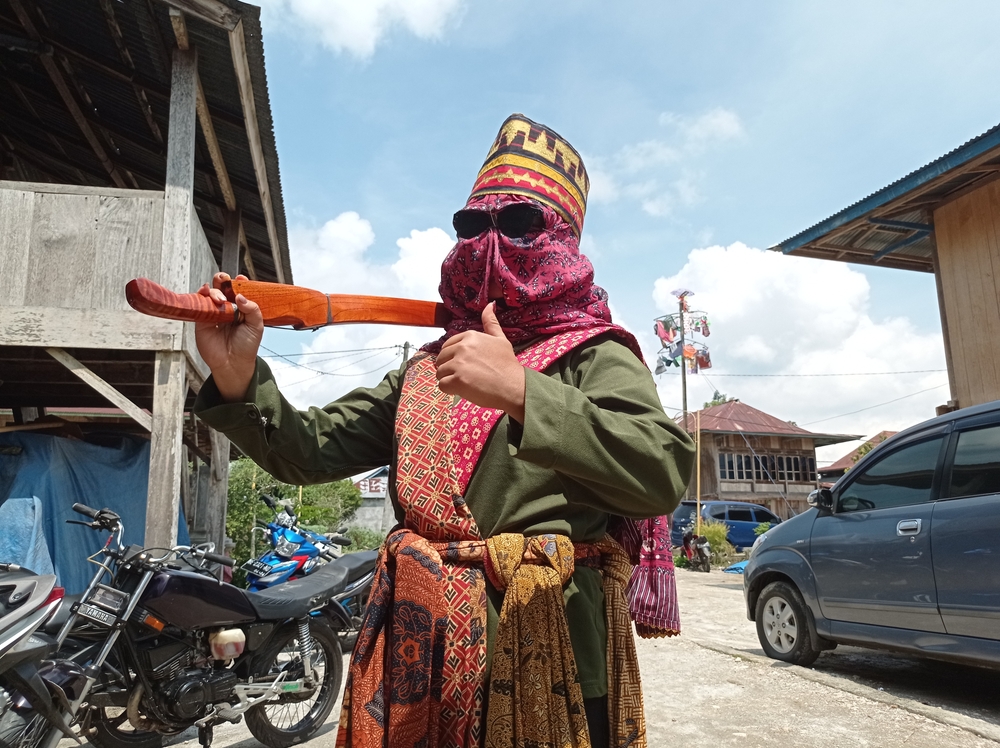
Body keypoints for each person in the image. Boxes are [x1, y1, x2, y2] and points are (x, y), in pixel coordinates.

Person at [194, 114, 694, 748]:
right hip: (420, 659)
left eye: (517, 223)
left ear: (561, 241)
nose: (489, 241)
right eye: (472, 224)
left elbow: (663, 474)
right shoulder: (427, 368)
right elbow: (309, 449)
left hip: (552, 659)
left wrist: (520, 391)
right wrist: (239, 377)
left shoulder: (593, 354)